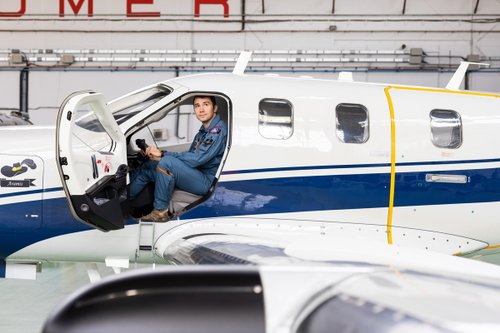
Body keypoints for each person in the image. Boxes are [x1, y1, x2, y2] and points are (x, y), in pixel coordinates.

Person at [129, 95, 227, 222]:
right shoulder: (203, 132)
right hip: (196, 173)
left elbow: (197, 159)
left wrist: (163, 154)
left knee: (166, 163)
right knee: (149, 165)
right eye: (197, 106)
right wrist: (158, 156)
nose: (201, 109)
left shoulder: (217, 131)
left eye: (206, 104)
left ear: (215, 108)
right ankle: (124, 199)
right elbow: (191, 156)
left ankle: (160, 212)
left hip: (205, 181)